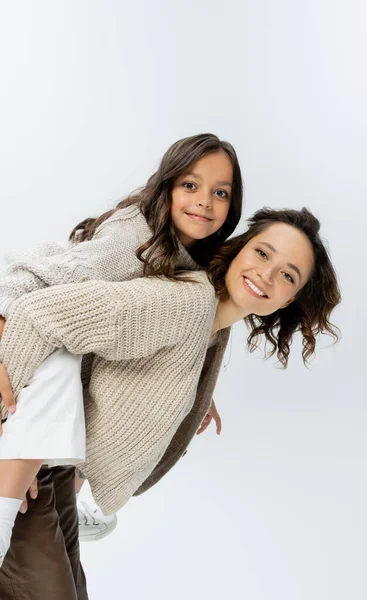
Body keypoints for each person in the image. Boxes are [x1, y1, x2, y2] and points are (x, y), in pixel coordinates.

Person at [0, 206, 341, 587]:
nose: (267, 273)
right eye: (263, 253)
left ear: (288, 300)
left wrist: (195, 397)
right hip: (26, 474)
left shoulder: (213, 327)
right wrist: (8, 433)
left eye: (288, 275)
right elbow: (39, 315)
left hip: (58, 476)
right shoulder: (186, 305)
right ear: (240, 248)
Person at [0, 132, 243, 540]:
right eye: (190, 185)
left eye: (220, 193)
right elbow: (45, 274)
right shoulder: (133, 240)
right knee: (66, 373)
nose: (204, 201)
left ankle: (67, 499)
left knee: (95, 392)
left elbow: (169, 329)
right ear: (165, 186)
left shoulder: (193, 258)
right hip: (32, 330)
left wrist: (197, 382)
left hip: (69, 339)